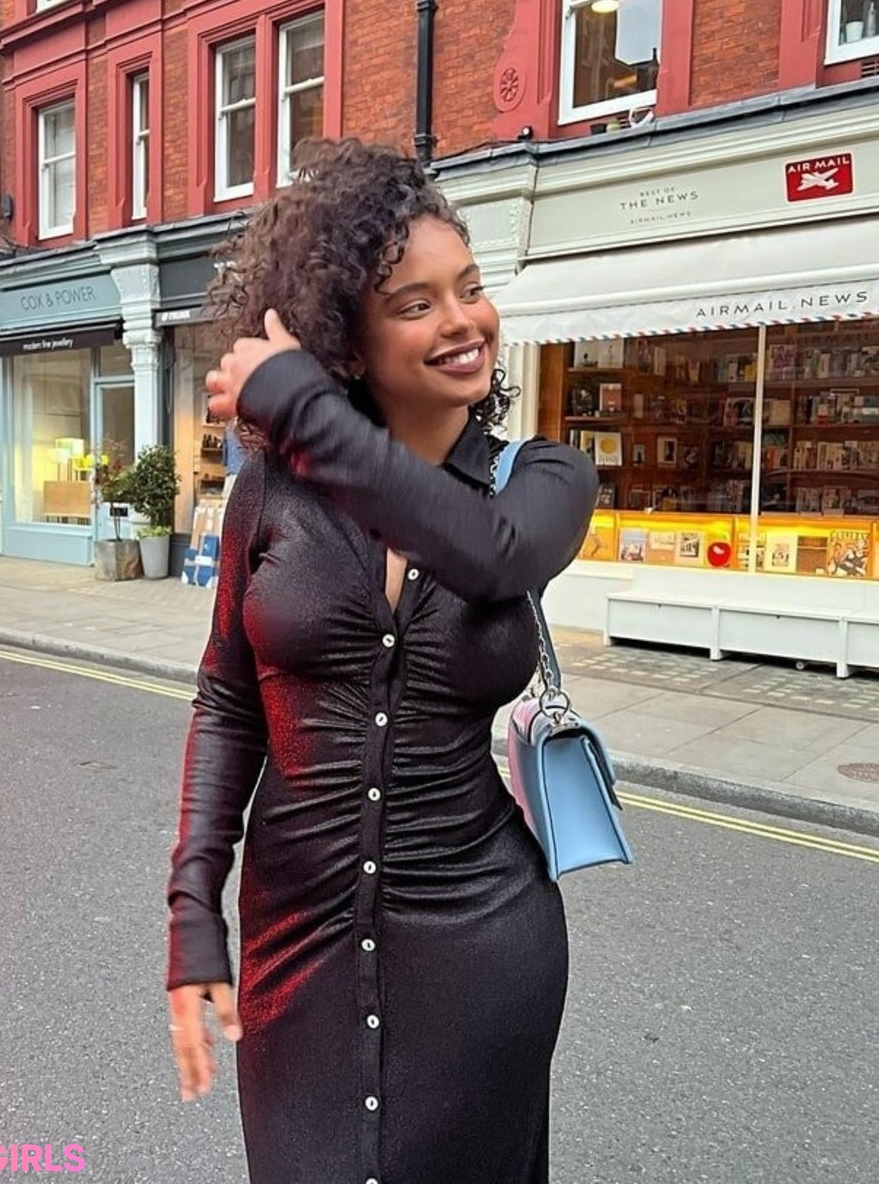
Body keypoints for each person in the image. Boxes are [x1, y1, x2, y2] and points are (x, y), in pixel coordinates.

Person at [165, 139, 599, 1184]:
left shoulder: (540, 480)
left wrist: (301, 408)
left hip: (482, 941)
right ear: (348, 343)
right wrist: (192, 911)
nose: (463, 321)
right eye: (416, 303)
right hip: (296, 944)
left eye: (471, 289)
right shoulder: (270, 495)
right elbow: (228, 699)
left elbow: (486, 553)